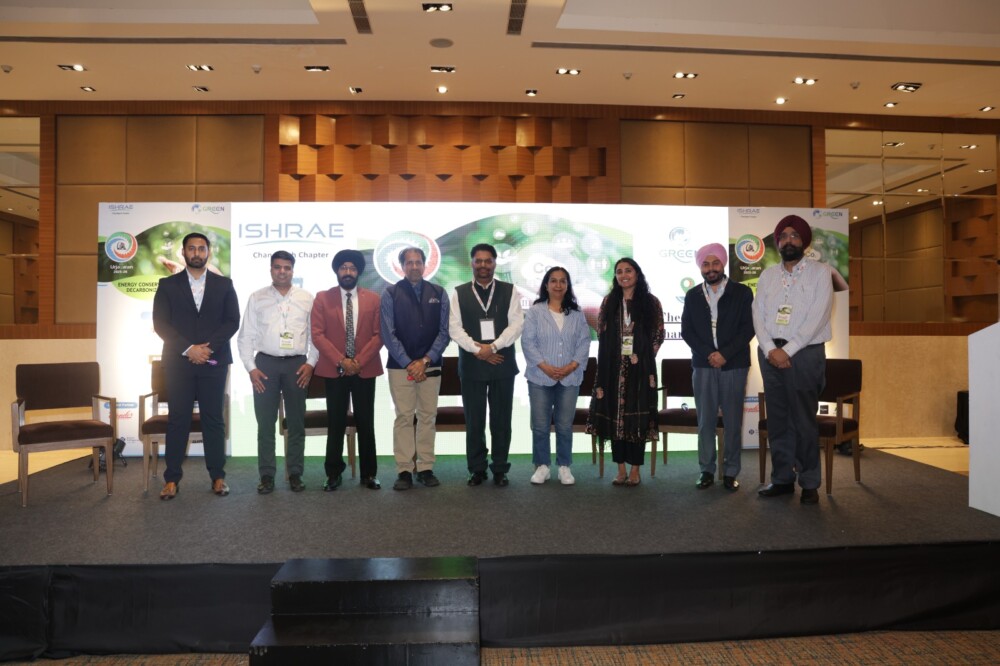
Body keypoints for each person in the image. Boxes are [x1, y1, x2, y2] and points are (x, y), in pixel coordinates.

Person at [752, 214, 834, 505]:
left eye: (794, 235)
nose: (789, 240)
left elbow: (818, 316)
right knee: (778, 420)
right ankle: (782, 479)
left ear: (804, 242)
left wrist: (788, 351)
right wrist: (769, 348)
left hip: (805, 354)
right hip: (770, 354)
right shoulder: (767, 276)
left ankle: (809, 483)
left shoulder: (821, 272)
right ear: (778, 242)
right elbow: (758, 314)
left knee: (803, 420)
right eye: (784, 236)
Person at [152, 232, 240, 500]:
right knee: (178, 419)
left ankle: (218, 477)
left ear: (208, 253)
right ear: (183, 252)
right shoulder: (167, 285)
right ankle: (171, 480)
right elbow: (160, 323)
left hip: (213, 361)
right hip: (179, 362)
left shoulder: (224, 284)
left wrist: (206, 349)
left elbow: (232, 321)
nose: (197, 253)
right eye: (192, 248)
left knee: (213, 419)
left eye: (202, 248)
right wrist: (189, 349)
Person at [236, 250, 318, 495]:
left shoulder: (307, 298)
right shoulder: (257, 297)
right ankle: (267, 475)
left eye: (287, 268)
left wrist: (311, 364)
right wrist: (251, 368)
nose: (282, 272)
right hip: (265, 366)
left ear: (293, 270)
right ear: (271, 269)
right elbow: (245, 337)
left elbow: (315, 336)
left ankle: (295, 473)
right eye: (277, 267)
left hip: (297, 366)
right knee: (265, 424)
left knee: (296, 423)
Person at [681, 243, 755, 492]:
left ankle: (731, 472)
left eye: (715, 263)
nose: (710, 268)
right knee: (705, 421)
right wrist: (709, 354)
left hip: (734, 364)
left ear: (723, 264)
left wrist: (724, 354)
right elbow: (687, 331)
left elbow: (748, 328)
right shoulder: (692, 295)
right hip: (703, 365)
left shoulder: (742, 292)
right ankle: (706, 470)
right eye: (705, 264)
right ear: (700, 267)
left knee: (733, 420)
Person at [449, 243, 524, 487]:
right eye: (478, 261)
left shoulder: (509, 291)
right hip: (472, 365)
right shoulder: (459, 293)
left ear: (494, 263)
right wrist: (478, 350)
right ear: (471, 263)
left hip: (502, 363)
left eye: (488, 261)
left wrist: (492, 348)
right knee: (475, 421)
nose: (483, 265)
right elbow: (454, 328)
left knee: (501, 421)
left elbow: (516, 325)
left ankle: (500, 468)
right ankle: (477, 469)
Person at [587, 258, 664, 487]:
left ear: (637, 274)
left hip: (641, 371)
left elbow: (658, 334)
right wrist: (616, 358)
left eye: (628, 270)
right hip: (611, 370)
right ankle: (620, 468)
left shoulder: (651, 302)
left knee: (637, 419)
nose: (624, 275)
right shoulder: (609, 301)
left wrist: (641, 358)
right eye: (619, 271)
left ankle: (635, 469)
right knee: (615, 418)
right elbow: (601, 332)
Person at [311, 249, 384, 491]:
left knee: (366, 422)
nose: (348, 272)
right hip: (335, 370)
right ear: (337, 271)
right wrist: (342, 361)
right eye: (343, 268)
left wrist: (358, 361)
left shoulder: (374, 298)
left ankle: (369, 474)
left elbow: (379, 335)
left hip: (365, 369)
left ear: (359, 272)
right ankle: (333, 473)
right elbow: (317, 335)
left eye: (352, 268)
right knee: (336, 423)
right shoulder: (323, 298)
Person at [380, 246, 451, 491]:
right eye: (409, 262)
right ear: (402, 266)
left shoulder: (439, 293)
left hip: (431, 365)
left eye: (418, 262)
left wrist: (425, 360)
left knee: (427, 417)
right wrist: (410, 363)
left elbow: (444, 332)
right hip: (400, 367)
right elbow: (388, 334)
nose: (414, 266)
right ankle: (404, 470)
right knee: (404, 417)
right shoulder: (390, 294)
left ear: (425, 265)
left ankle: (425, 467)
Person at [522, 266, 592, 486]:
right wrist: (545, 366)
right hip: (540, 377)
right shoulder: (535, 312)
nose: (558, 285)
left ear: (568, 285)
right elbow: (528, 342)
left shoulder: (577, 314)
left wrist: (571, 366)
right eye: (553, 281)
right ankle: (542, 466)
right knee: (540, 425)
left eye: (563, 281)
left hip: (570, 378)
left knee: (564, 425)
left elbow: (584, 342)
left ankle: (564, 466)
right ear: (546, 285)